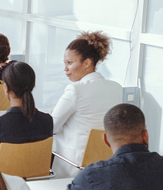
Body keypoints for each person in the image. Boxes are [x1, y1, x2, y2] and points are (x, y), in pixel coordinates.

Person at [51, 31, 123, 177]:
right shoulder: (116, 88)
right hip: (105, 162)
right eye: (65, 63)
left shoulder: (75, 90)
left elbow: (51, 126)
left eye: (70, 63)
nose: (65, 69)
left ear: (87, 63)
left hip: (74, 166)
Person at [0, 61, 53, 159]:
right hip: (38, 174)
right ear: (32, 86)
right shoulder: (47, 121)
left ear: (6, 88)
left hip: (3, 175)